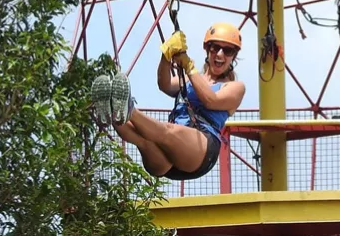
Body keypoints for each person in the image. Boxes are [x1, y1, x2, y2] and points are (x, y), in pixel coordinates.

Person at [90, 22, 246, 180]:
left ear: (234, 56)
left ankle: (129, 110)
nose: (220, 54)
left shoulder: (235, 87)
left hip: (200, 150)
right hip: (167, 161)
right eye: (215, 48)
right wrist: (166, 55)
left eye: (227, 51)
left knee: (167, 131)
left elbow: (210, 100)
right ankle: (111, 111)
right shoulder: (188, 79)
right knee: (143, 139)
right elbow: (164, 84)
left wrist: (188, 66)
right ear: (207, 48)